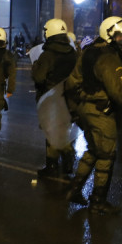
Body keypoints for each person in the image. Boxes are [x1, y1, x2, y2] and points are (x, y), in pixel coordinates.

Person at [64, 16, 122, 214]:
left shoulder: (89, 52)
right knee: (106, 154)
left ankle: (74, 188)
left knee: (94, 150)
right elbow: (117, 90)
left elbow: (71, 83)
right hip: (101, 112)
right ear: (109, 34)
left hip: (85, 109)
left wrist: (75, 109)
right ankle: (98, 201)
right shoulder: (108, 57)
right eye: (120, 36)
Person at [32, 18, 79, 177]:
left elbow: (39, 77)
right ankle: (64, 164)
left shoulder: (47, 55)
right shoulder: (72, 53)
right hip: (69, 97)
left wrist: (35, 65)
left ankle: (57, 162)